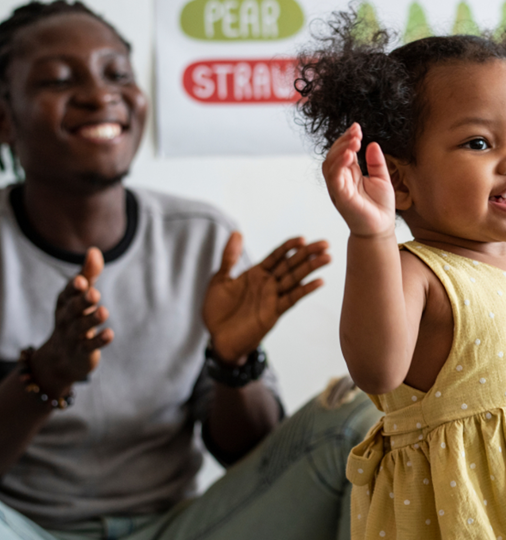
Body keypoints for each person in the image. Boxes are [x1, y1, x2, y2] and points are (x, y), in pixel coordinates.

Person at [0, 2, 380, 539]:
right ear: (4, 117)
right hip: (22, 528)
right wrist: (45, 374)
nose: (99, 94)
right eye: (60, 80)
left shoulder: (201, 238)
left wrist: (232, 361)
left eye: (117, 75)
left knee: (360, 419)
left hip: (180, 528)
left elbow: (253, 460)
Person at [295, 11, 506, 540]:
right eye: (480, 143)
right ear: (401, 181)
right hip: (462, 512)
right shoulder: (418, 270)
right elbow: (378, 368)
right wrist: (373, 236)